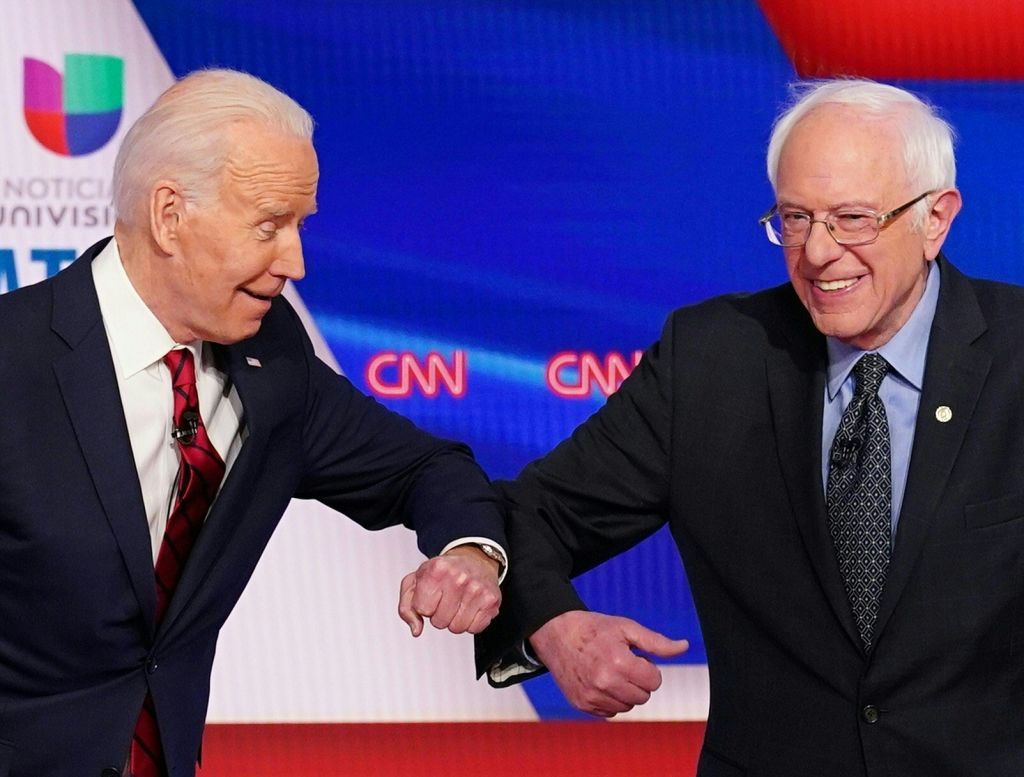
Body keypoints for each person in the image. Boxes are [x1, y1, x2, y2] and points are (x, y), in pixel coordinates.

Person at [479, 78, 1024, 777]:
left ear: (936, 218)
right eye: (796, 219)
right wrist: (552, 625)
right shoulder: (711, 359)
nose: (819, 252)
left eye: (853, 218)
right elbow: (530, 514)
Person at [0, 69, 507, 777]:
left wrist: (469, 552)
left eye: (300, 226)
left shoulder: (273, 361)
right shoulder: (13, 360)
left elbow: (424, 467)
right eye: (269, 225)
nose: (294, 261)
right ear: (170, 214)